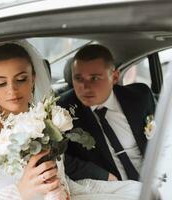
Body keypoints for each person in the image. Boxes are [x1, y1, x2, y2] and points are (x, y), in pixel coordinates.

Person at [0, 41, 143, 200]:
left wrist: (110, 187)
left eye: (20, 79)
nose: (12, 90)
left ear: (33, 79)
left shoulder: (44, 121)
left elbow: (61, 179)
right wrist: (19, 192)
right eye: (1, 83)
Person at [58, 44, 156, 182]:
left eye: (94, 78)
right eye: (78, 78)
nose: (85, 87)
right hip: (111, 191)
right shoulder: (62, 111)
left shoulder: (140, 97)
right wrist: (103, 176)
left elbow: (165, 139)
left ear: (115, 77)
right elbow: (57, 157)